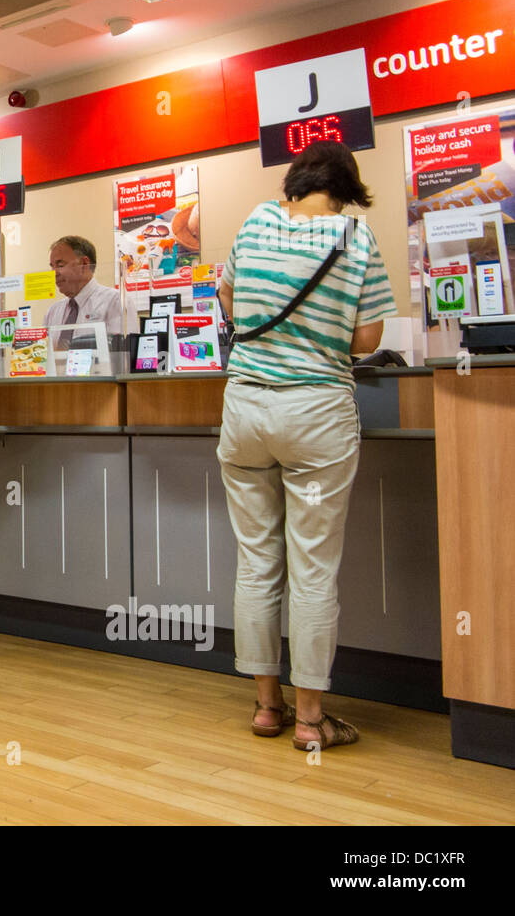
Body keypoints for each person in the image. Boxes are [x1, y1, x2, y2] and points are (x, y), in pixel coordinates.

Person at [216, 141, 396, 752]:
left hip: (245, 411)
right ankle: (314, 719)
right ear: (346, 188)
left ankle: (268, 707)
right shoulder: (356, 238)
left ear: (295, 180)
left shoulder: (257, 222)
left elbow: (234, 306)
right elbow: (366, 339)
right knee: (313, 567)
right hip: (316, 412)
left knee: (256, 559)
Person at [43, 236, 122, 346]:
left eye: (60, 265)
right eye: (52, 267)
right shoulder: (53, 311)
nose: (54, 273)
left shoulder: (115, 301)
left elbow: (123, 356)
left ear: (84, 264)